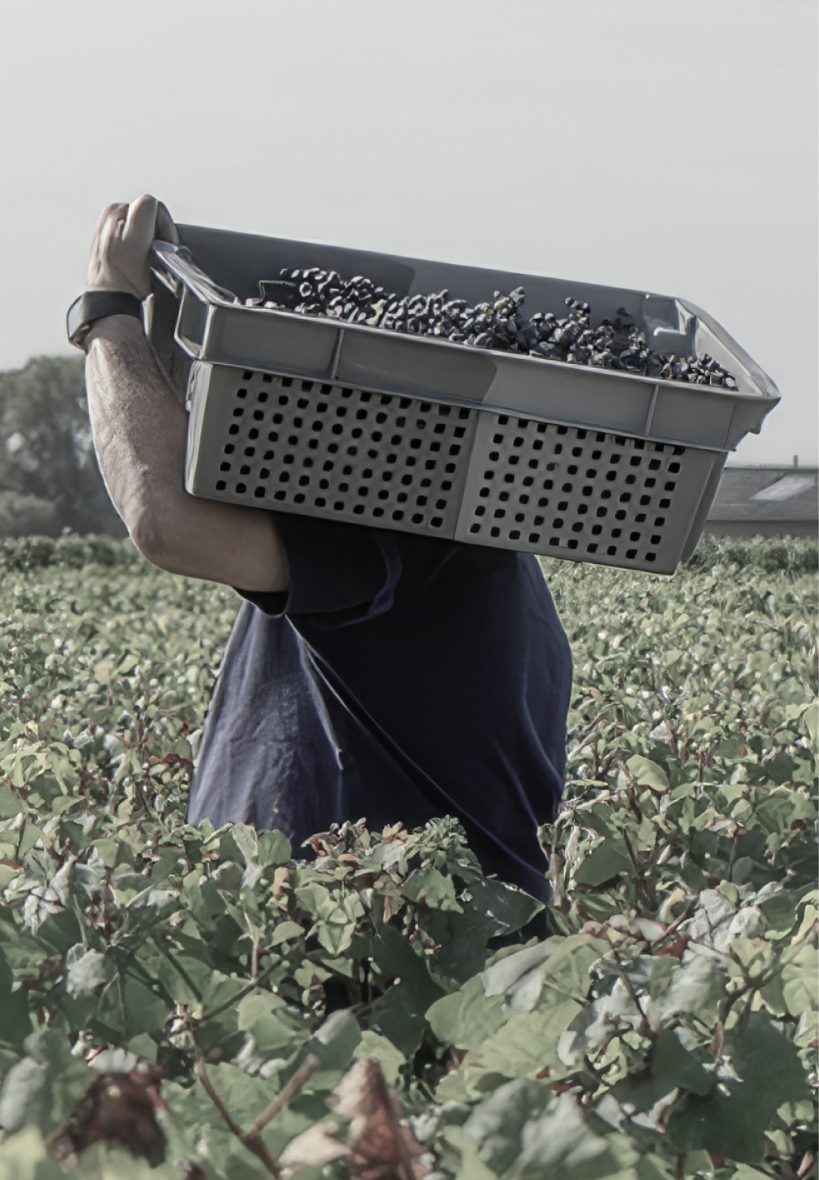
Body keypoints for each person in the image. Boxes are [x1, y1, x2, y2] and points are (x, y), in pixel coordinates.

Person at [73, 195, 572, 902]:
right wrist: (161, 315)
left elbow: (167, 519)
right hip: (369, 949)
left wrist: (105, 310)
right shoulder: (468, 544)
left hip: (382, 967)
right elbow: (186, 466)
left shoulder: (402, 535)